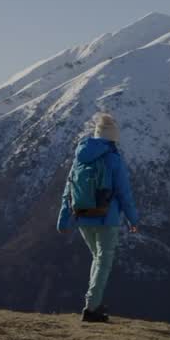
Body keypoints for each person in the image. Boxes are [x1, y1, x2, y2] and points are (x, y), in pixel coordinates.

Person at [57, 112, 140, 323]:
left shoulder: (80, 157)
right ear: (113, 137)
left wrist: (64, 218)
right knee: (103, 261)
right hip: (106, 218)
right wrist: (133, 219)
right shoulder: (113, 159)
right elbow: (124, 192)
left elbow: (69, 188)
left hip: (83, 217)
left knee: (97, 258)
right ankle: (92, 308)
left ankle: (94, 303)